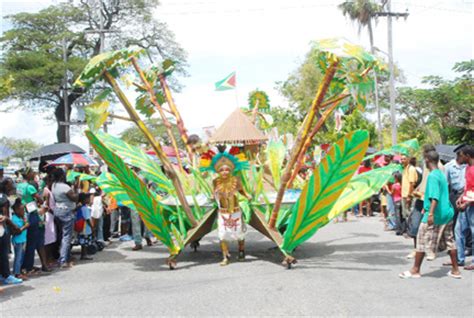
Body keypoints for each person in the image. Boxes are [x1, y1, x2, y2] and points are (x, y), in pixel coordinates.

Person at [399, 150, 461, 279]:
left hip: (436, 214)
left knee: (421, 240)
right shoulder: (441, 174)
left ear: (427, 160)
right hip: (447, 212)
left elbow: (434, 197)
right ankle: (455, 270)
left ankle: (415, 270)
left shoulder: (433, 176)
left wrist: (431, 213)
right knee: (450, 240)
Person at [201, 148, 251, 266]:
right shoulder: (215, 181)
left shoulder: (236, 180)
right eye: (221, 170)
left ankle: (241, 250)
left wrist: (247, 196)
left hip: (235, 212)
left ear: (231, 170)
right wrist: (212, 196)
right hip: (222, 213)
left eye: (227, 169)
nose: (224, 172)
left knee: (239, 233)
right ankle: (225, 256)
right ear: (218, 171)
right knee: (222, 234)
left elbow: (242, 191)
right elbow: (214, 192)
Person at [17, 168, 49, 274]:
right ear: (29, 174)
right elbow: (39, 199)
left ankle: (25, 265)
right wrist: (40, 200)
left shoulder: (20, 186)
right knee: (32, 241)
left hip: (24, 212)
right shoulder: (30, 187)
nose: (34, 174)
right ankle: (29, 266)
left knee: (28, 241)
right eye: (32, 172)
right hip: (32, 213)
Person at [443, 145, 468, 266]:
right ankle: (459, 255)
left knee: (465, 228)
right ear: (459, 155)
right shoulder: (449, 166)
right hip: (455, 195)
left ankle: (464, 253)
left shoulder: (468, 166)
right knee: (456, 226)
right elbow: (445, 184)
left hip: (467, 196)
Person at [51, 168, 78, 268]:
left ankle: (64, 256)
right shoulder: (64, 187)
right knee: (66, 237)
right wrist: (75, 188)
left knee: (62, 235)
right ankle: (63, 260)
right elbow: (75, 198)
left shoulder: (54, 185)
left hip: (58, 211)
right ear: (62, 176)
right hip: (66, 211)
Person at [0, 179, 23, 285]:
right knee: (3, 253)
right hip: (2, 229)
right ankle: (6, 276)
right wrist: (14, 227)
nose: (12, 186)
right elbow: (6, 217)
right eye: (10, 185)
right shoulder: (3, 198)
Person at [456, 145, 474, 270]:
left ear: (467, 156)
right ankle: (459, 259)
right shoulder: (467, 168)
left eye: (461, 155)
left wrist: (467, 203)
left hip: (471, 205)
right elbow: (468, 187)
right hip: (466, 203)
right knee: (458, 230)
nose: (459, 158)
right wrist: (461, 197)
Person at [11, 198, 29, 279]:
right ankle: (17, 273)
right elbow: (17, 231)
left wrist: (25, 220)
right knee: (18, 257)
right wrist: (25, 226)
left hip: (22, 240)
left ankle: (18, 270)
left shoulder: (21, 217)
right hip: (18, 241)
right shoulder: (14, 219)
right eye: (22, 210)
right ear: (17, 210)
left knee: (21, 256)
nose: (23, 212)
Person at [400, 154, 418, 235]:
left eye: (404, 159)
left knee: (410, 214)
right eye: (401, 159)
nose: (402, 161)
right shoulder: (405, 169)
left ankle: (411, 232)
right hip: (404, 195)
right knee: (405, 214)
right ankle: (407, 230)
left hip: (408, 195)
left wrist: (409, 196)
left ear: (408, 159)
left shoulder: (411, 169)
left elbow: (412, 183)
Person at [75, 192, 93, 261]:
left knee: (83, 242)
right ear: (84, 200)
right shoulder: (85, 208)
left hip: (81, 228)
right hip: (86, 228)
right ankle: (84, 255)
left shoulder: (80, 207)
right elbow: (87, 219)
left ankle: (83, 254)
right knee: (85, 242)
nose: (89, 199)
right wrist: (92, 227)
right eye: (88, 198)